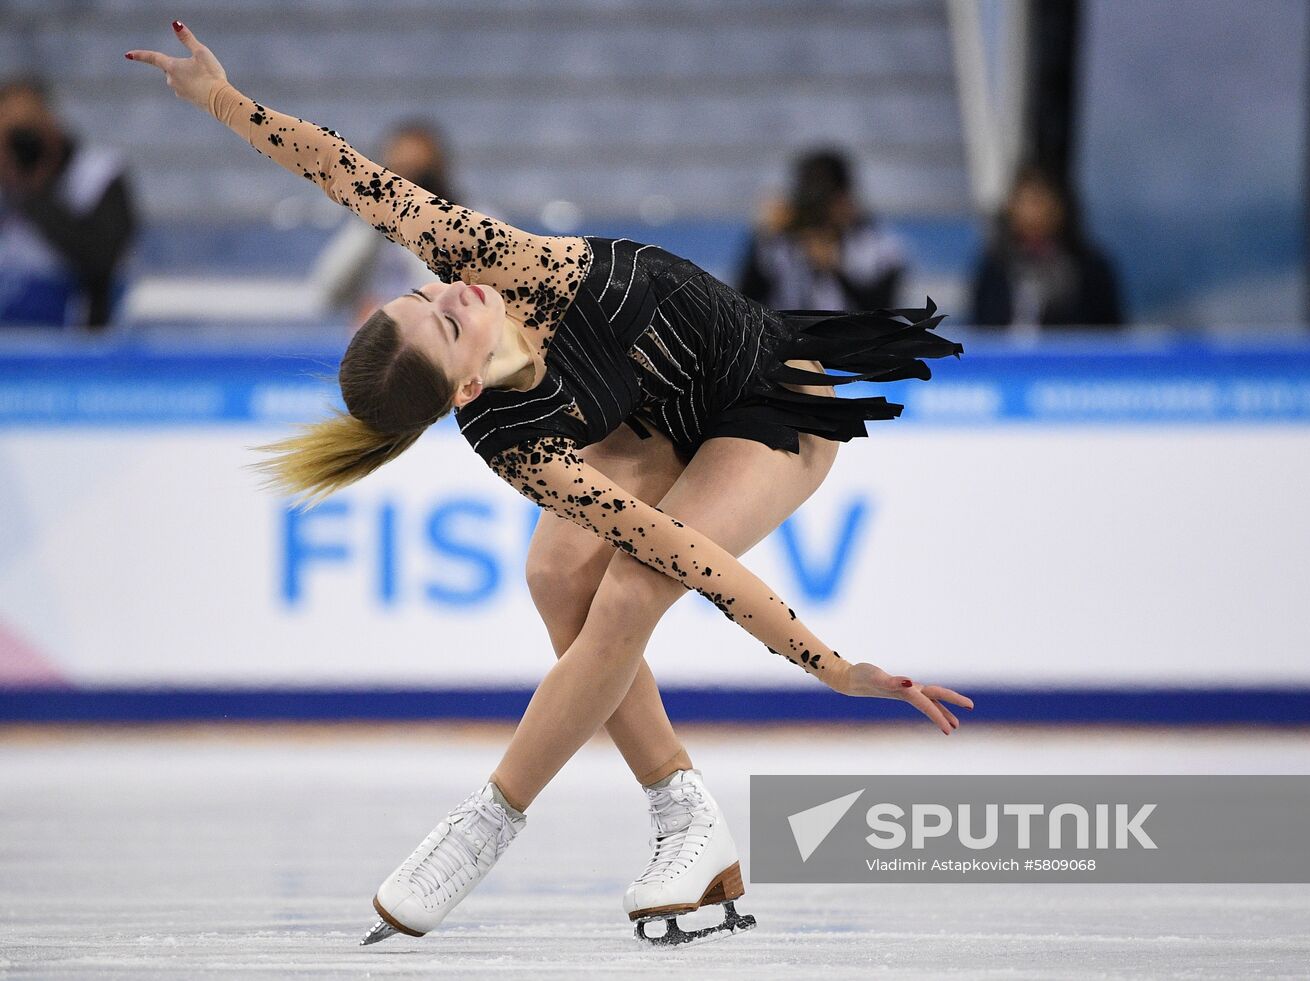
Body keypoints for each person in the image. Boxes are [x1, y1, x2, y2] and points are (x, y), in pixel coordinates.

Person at [129, 22, 973, 948]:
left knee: (632, 590)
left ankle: (486, 823)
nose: (454, 295)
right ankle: (688, 816)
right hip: (657, 426)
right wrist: (830, 663)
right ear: (459, 389)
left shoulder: (501, 261)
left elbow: (341, 172)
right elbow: (670, 533)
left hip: (772, 403)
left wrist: (220, 100)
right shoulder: (506, 436)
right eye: (446, 323)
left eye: (429, 295)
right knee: (554, 577)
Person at [0, 78, 137, 329]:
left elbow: (101, 261)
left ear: (51, 121)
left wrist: (34, 190)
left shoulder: (98, 175)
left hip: (74, 340)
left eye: (28, 130)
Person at [314, 119, 460, 325]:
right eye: (398, 168)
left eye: (416, 170)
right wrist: (375, 221)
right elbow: (327, 292)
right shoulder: (368, 224)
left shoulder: (469, 219)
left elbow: (455, 297)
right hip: (377, 345)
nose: (405, 181)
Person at [738, 148, 907, 311]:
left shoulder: (880, 248)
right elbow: (744, 304)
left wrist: (836, 270)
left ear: (844, 199)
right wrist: (764, 237)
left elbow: (885, 314)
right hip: (789, 338)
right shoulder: (779, 244)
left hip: (855, 339)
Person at [970, 165, 1123, 330]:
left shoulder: (1091, 267)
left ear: (1059, 207)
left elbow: (1111, 334)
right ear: (1011, 208)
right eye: (1026, 202)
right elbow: (981, 330)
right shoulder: (993, 266)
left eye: (1040, 202)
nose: (1034, 213)